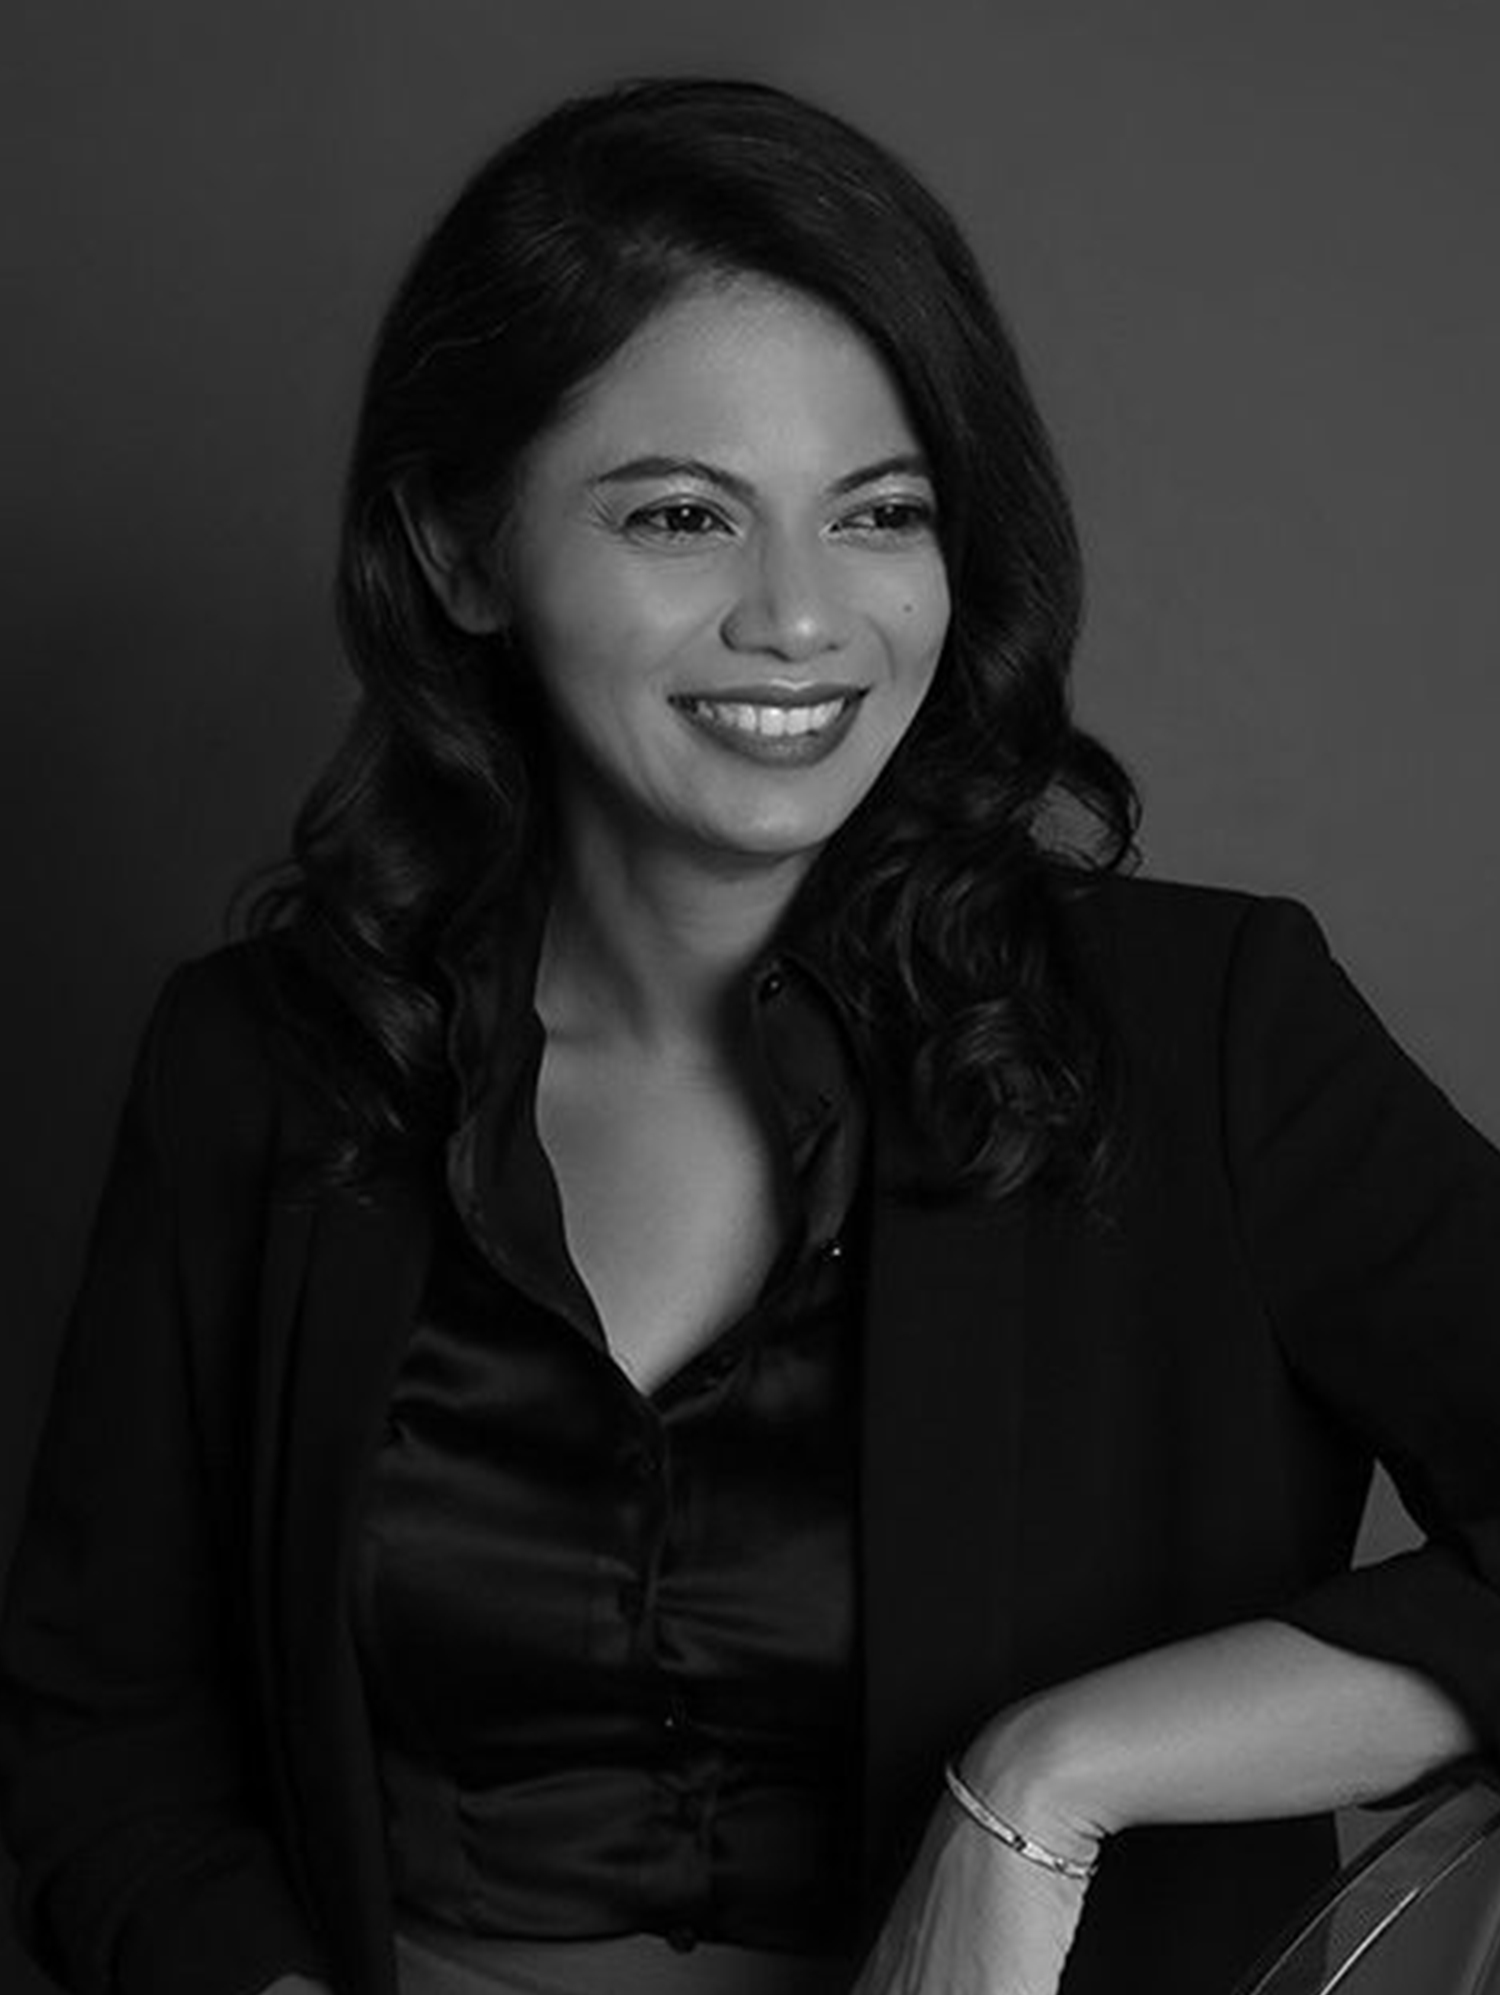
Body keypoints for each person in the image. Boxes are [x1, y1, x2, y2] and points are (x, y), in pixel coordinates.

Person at [2, 74, 1498, 1995]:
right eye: (683, 515)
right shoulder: (260, 1064)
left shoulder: (1209, 1029)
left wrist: (1052, 1778)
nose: (800, 619)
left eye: (881, 514)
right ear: (459, 551)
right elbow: (102, 1733)